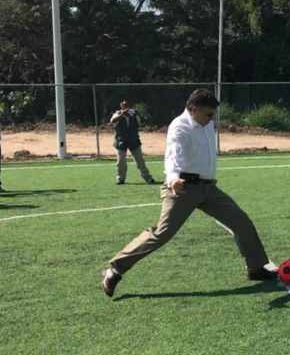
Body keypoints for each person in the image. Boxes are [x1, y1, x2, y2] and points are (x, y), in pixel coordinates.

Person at [100, 89, 276, 298]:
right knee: (161, 234)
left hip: (209, 189)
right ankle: (115, 270)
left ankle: (255, 268)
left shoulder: (206, 123)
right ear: (193, 110)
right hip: (182, 188)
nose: (212, 119)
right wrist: (173, 178)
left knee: (242, 222)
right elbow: (172, 155)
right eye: (209, 114)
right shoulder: (179, 127)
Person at [110, 100, 157, 185]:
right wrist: (122, 114)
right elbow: (112, 121)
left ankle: (148, 178)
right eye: (123, 106)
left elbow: (142, 123)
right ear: (121, 107)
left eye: (126, 106)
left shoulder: (134, 115)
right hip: (121, 141)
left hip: (133, 140)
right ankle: (120, 179)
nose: (125, 107)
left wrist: (138, 114)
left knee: (140, 161)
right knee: (121, 162)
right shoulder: (117, 114)